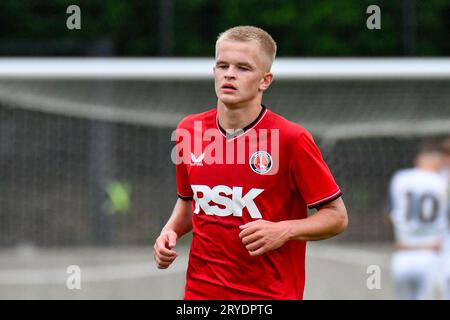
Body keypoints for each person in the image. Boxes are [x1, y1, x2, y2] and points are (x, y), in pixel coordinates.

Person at [153, 26, 348, 300]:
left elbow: (337, 216)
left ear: (265, 80)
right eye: (222, 65)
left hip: (268, 296)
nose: (229, 74)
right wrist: (169, 231)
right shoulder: (189, 130)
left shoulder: (291, 139)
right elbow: (189, 203)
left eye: (243, 68)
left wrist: (284, 229)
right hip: (200, 294)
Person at [388, 142, 449, 300]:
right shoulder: (443, 183)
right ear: (439, 163)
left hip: (402, 254)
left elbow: (390, 214)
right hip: (431, 256)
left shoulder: (400, 179)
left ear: (417, 161)